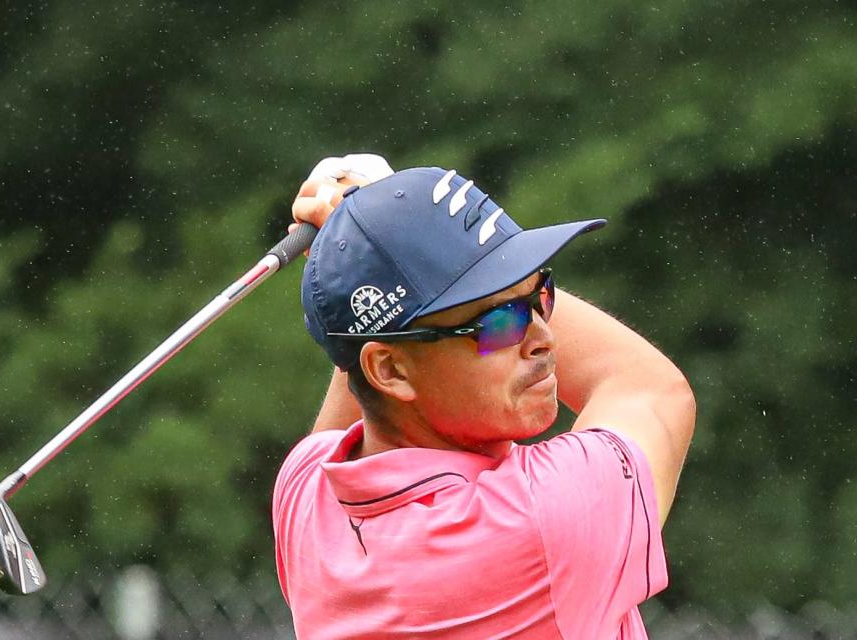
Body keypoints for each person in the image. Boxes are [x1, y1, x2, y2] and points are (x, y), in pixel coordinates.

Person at [273, 156, 696, 639]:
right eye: (500, 322)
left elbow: (361, 361)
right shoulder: (537, 522)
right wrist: (376, 222)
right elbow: (647, 387)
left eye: (542, 295)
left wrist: (372, 242)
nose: (542, 337)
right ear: (390, 369)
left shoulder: (306, 496)